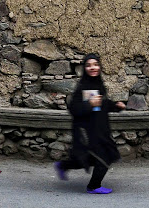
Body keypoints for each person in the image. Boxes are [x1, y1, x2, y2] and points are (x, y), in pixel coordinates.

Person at [54, 53, 126, 194]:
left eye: (95, 64)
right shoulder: (83, 87)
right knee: (104, 156)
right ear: (84, 68)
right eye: (89, 65)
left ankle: (62, 165)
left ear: (99, 66)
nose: (92, 68)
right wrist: (89, 105)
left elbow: (102, 104)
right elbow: (74, 108)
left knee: (88, 158)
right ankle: (93, 186)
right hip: (87, 131)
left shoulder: (98, 84)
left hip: (99, 128)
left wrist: (116, 106)